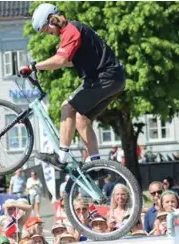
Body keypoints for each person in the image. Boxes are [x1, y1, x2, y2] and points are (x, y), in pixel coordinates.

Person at [19, 3, 125, 170]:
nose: (50, 34)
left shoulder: (71, 30)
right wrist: (44, 66)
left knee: (67, 107)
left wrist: (33, 66)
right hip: (114, 79)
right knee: (81, 119)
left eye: (48, 30)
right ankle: (95, 167)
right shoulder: (73, 31)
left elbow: (60, 60)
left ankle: (61, 158)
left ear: (52, 20)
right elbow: (67, 61)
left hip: (105, 77)